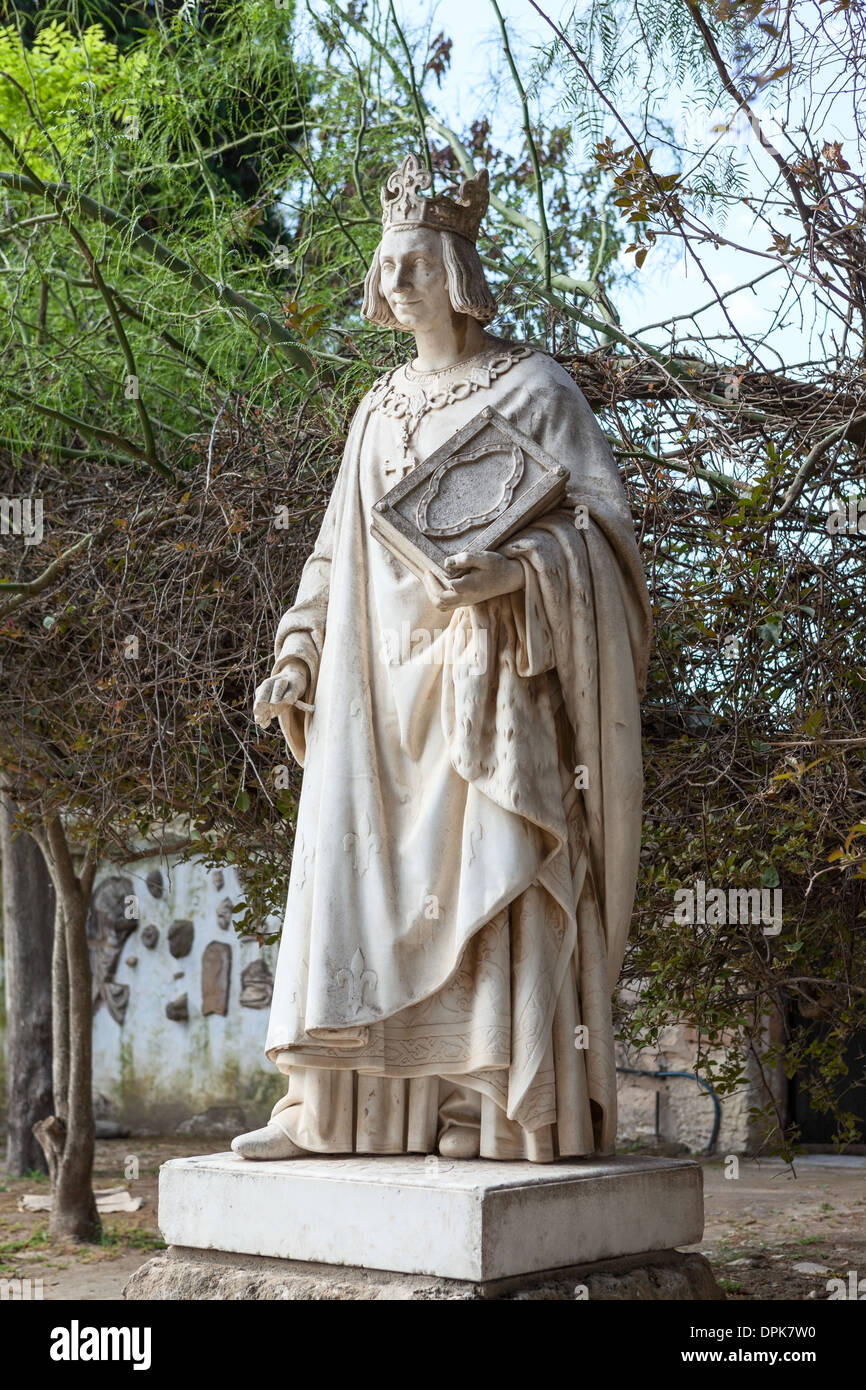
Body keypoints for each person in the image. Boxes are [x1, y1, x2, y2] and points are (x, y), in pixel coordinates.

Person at [232, 154, 651, 1162]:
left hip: (487, 677)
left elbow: (605, 542)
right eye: (384, 269)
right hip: (372, 696)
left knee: (487, 870)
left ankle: (485, 1104)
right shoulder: (375, 409)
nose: (393, 285)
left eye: (413, 263)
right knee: (354, 881)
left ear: (457, 269)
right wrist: (299, 649)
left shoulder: (533, 387)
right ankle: (335, 1111)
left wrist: (515, 579)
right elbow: (338, 545)